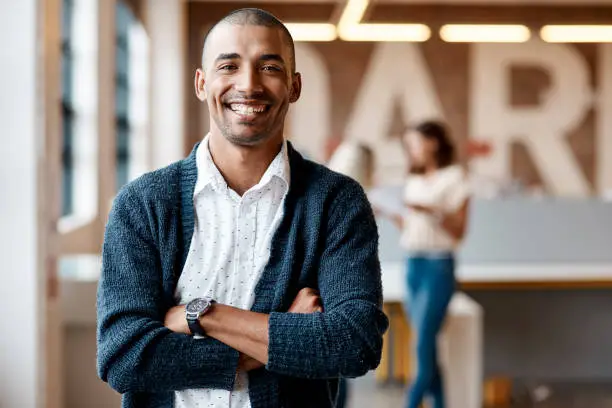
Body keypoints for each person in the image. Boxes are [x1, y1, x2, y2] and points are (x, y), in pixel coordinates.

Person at [96, 8, 388, 408]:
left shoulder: (336, 202)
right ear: (202, 83)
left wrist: (202, 316)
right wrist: (280, 338)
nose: (248, 85)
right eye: (228, 66)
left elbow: (355, 344)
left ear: (294, 86)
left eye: (269, 67)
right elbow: (122, 358)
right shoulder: (143, 204)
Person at [400, 121, 471, 408]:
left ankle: (411, 402)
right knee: (426, 345)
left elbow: (460, 230)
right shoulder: (413, 179)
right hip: (412, 263)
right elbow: (411, 224)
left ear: (433, 143)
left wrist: (431, 209)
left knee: (422, 343)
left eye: (414, 143)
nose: (411, 150)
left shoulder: (455, 177)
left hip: (437, 266)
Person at [326, 140, 375, 408]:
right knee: (339, 362)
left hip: (326, 287)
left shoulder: (324, 188)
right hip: (333, 288)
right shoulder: (352, 196)